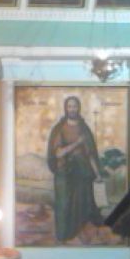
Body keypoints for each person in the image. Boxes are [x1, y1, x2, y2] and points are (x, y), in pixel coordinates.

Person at [46, 96, 104, 242]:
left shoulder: (84, 129)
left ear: (79, 108)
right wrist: (77, 143)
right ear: (66, 108)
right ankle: (64, 236)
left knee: (82, 205)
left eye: (75, 106)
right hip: (64, 173)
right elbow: (58, 153)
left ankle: (80, 234)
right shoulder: (59, 129)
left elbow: (90, 154)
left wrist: (97, 174)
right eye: (70, 106)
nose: (72, 109)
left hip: (82, 173)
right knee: (64, 205)